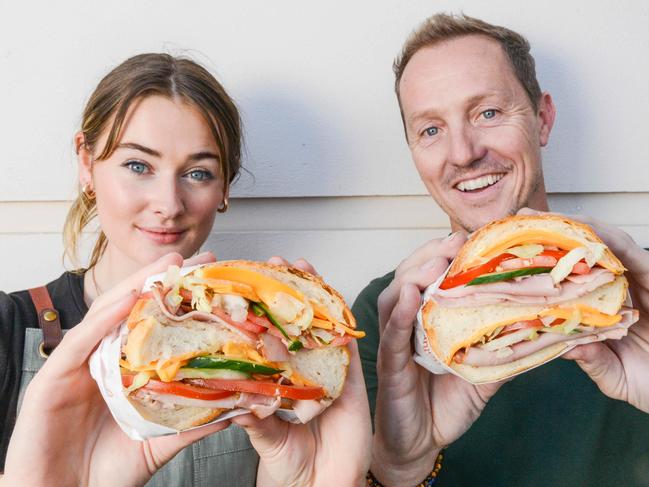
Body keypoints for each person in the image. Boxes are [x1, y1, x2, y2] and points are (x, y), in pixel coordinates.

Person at [0, 53, 371, 486]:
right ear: (86, 163)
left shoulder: (298, 354)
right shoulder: (8, 328)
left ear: (225, 187)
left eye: (197, 173)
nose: (168, 204)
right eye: (138, 165)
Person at [352, 13, 649, 486]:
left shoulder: (640, 290)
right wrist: (401, 467)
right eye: (430, 129)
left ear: (543, 118)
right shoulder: (383, 317)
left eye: (487, 113)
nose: (463, 152)